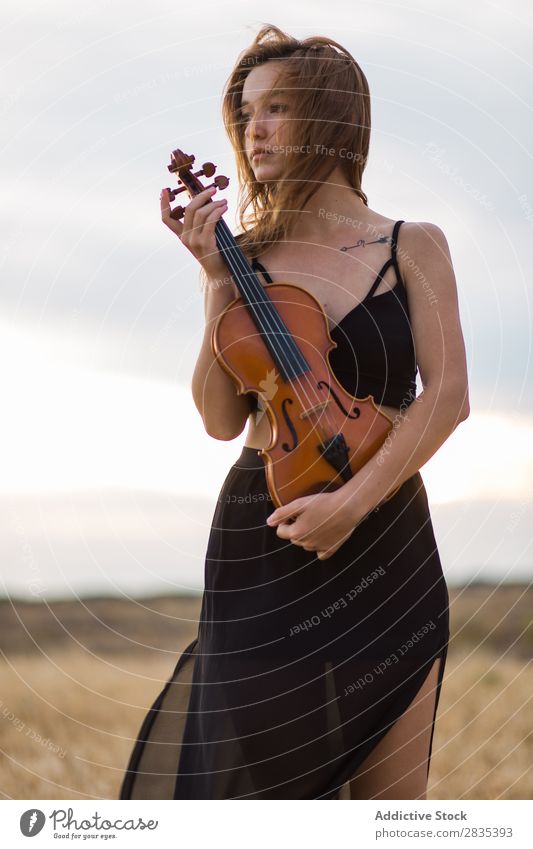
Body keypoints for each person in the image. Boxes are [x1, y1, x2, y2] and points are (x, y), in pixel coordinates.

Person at [120, 23, 469, 800]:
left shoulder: (412, 246)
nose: (255, 129)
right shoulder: (244, 256)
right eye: (246, 113)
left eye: (277, 108)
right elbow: (218, 418)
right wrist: (216, 275)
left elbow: (446, 398)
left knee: (388, 810)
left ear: (333, 121)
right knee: (258, 801)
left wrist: (349, 503)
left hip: (386, 536)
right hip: (263, 538)